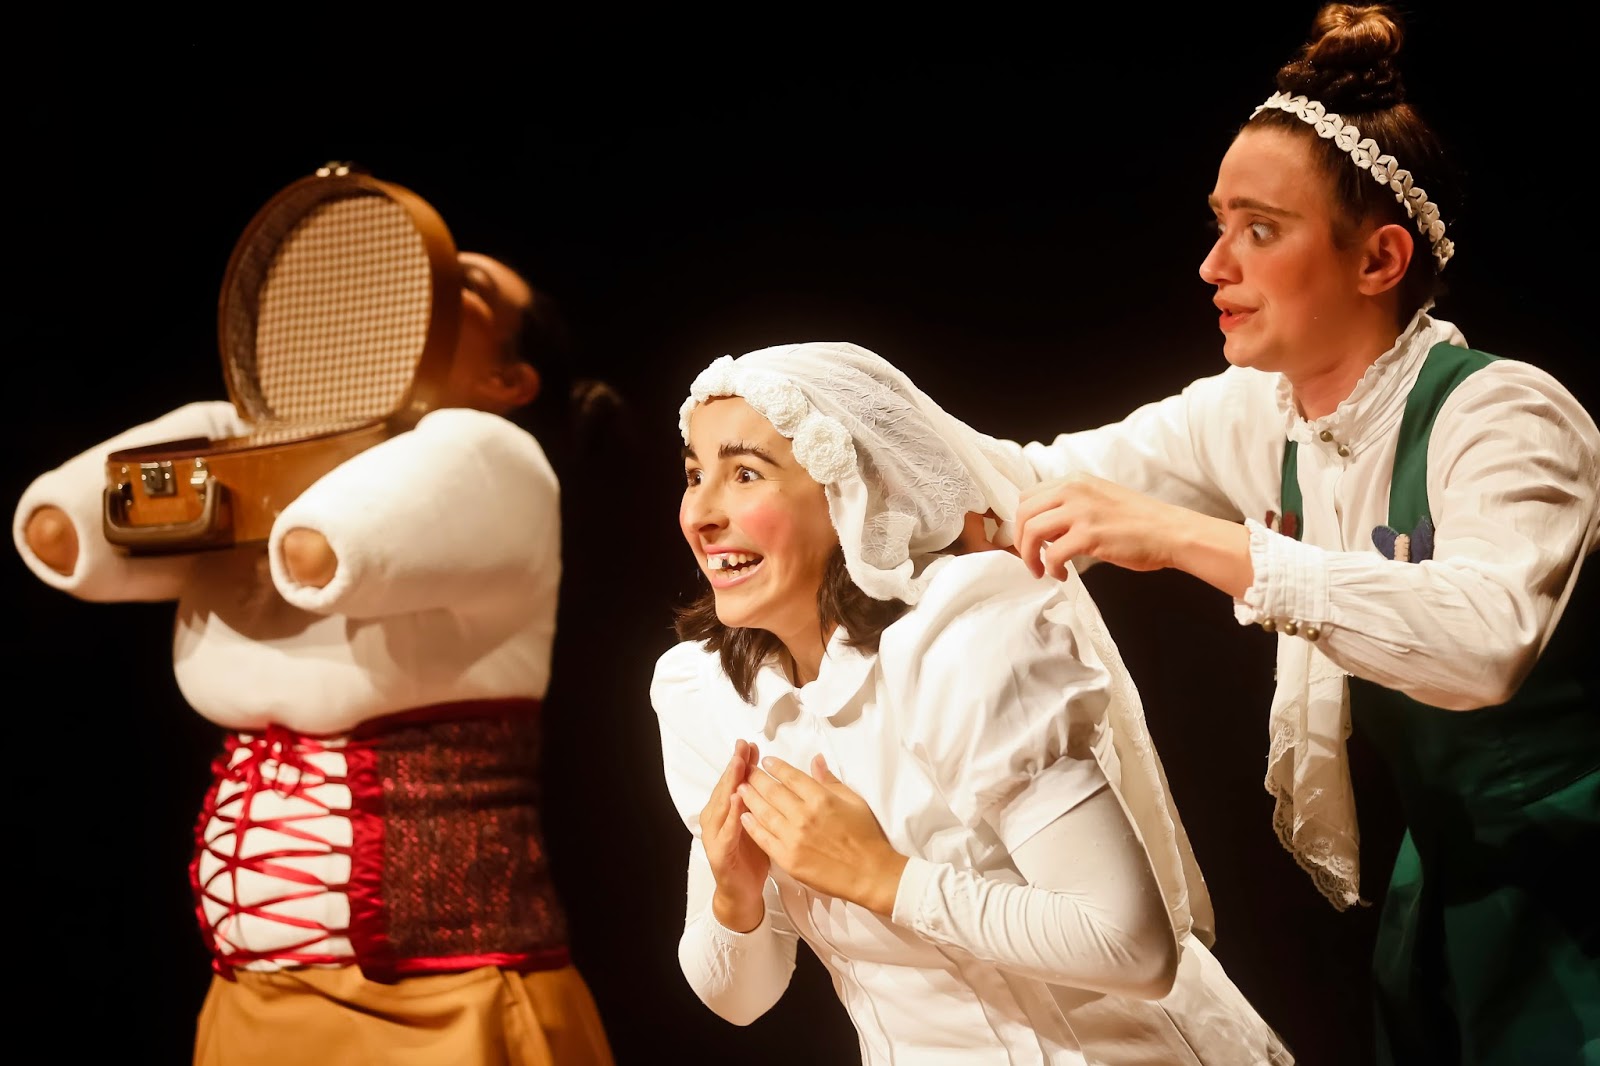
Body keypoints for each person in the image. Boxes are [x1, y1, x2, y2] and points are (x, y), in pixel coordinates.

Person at [970, 5, 1599, 1064]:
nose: (1214, 265)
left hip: (1576, 883)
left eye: (1260, 230)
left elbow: (1483, 640)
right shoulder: (1259, 414)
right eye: (1219, 224)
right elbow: (1027, 476)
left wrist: (1191, 540)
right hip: (1447, 883)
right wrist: (813, 422)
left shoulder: (1502, 414)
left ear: (1379, 259)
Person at [13, 249, 619, 1066]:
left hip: (438, 1007)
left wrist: (255, 454)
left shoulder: (495, 458)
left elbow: (323, 547)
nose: (419, 278)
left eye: (467, 285)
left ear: (507, 381)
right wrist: (232, 428)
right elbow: (58, 532)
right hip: (249, 1001)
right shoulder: (269, 465)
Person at [651, 340, 1293, 1064]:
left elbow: (1134, 947)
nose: (701, 514)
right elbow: (740, 1000)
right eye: (695, 475)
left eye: (745, 474)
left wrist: (883, 877)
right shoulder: (706, 693)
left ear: (849, 490)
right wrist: (733, 896)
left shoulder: (959, 645)